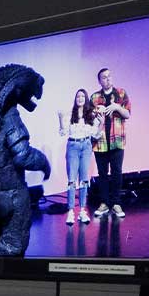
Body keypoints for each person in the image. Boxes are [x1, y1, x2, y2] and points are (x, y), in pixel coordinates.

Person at [89, 67, 131, 218]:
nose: (107, 79)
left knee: (116, 172)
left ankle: (116, 203)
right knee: (102, 173)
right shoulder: (94, 97)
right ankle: (104, 202)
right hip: (100, 142)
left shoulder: (121, 93)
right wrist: (96, 114)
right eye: (104, 77)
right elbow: (89, 120)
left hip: (117, 140)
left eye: (109, 76)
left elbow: (127, 114)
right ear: (100, 81)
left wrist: (117, 107)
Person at [57, 88, 97, 225]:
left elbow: (95, 134)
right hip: (73, 146)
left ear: (86, 98)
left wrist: (101, 122)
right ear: (75, 99)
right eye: (78, 96)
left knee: (84, 180)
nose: (80, 98)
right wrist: (60, 118)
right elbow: (63, 132)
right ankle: (70, 212)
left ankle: (82, 211)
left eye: (82, 96)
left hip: (86, 146)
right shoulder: (70, 114)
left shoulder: (90, 114)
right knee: (72, 180)